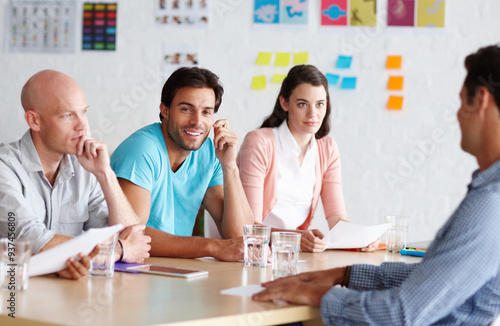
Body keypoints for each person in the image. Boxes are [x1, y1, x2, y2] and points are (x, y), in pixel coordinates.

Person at [253, 45, 500, 325]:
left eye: (461, 103)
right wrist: (345, 275)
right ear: (285, 103)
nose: (457, 115)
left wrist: (320, 295)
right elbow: (432, 277)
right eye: (302, 103)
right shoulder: (488, 192)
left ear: (481, 100)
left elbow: (399, 313)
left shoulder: (489, 203)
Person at [0, 70, 151, 280]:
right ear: (34, 121)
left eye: (84, 112)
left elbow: (132, 236)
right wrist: (117, 250)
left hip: (68, 297)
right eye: (67, 115)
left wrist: (105, 174)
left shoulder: (85, 167)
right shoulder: (4, 167)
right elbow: (32, 242)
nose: (83, 127)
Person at [111, 67, 253, 261]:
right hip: (133, 269)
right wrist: (211, 246)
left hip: (176, 269)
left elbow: (238, 234)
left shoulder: (210, 153)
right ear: (165, 110)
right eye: (186, 109)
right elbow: (132, 234)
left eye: (206, 112)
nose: (197, 121)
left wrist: (230, 167)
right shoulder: (142, 149)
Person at [237, 65, 378, 252]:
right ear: (284, 103)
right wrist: (296, 238)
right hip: (250, 254)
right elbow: (249, 227)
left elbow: (336, 218)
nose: (313, 114)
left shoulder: (327, 148)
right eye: (302, 104)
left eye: (320, 104)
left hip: (291, 253)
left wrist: (360, 239)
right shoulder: (259, 143)